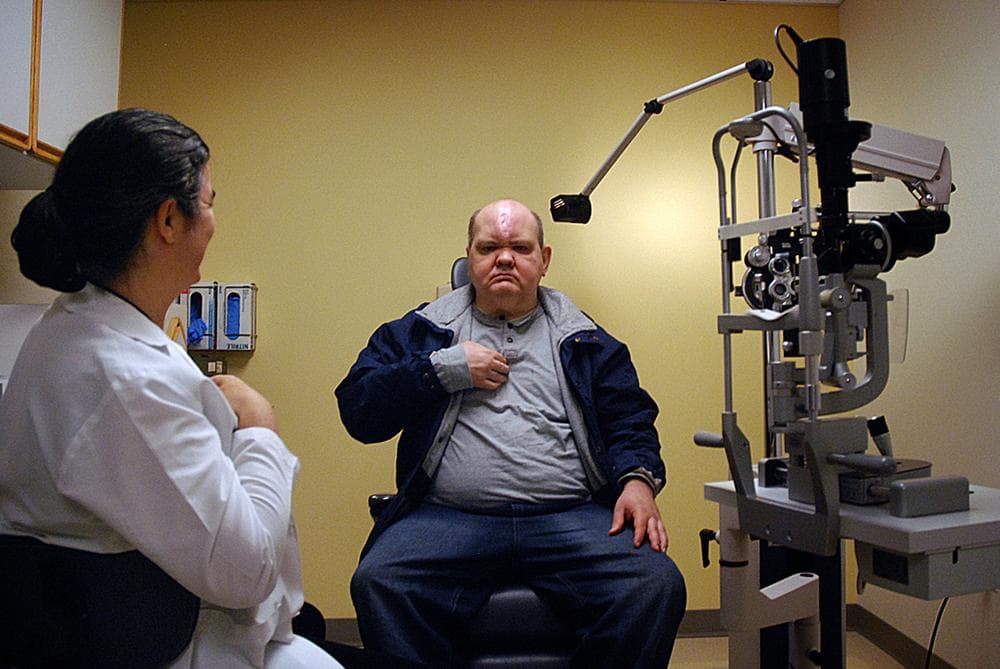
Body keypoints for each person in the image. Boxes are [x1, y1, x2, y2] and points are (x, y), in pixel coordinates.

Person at [0, 109, 342, 668]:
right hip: (172, 643)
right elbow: (247, 571)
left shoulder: (72, 329)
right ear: (167, 220)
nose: (212, 221)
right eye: (208, 203)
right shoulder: (128, 379)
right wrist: (260, 428)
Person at [336, 198, 686, 667]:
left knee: (654, 584)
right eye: (489, 247)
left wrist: (639, 481)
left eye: (520, 247)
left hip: (568, 515)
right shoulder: (424, 332)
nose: (504, 258)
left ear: (544, 260)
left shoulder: (585, 339)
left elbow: (630, 419)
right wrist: (440, 370)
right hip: (450, 516)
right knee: (380, 580)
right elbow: (359, 410)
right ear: (470, 257)